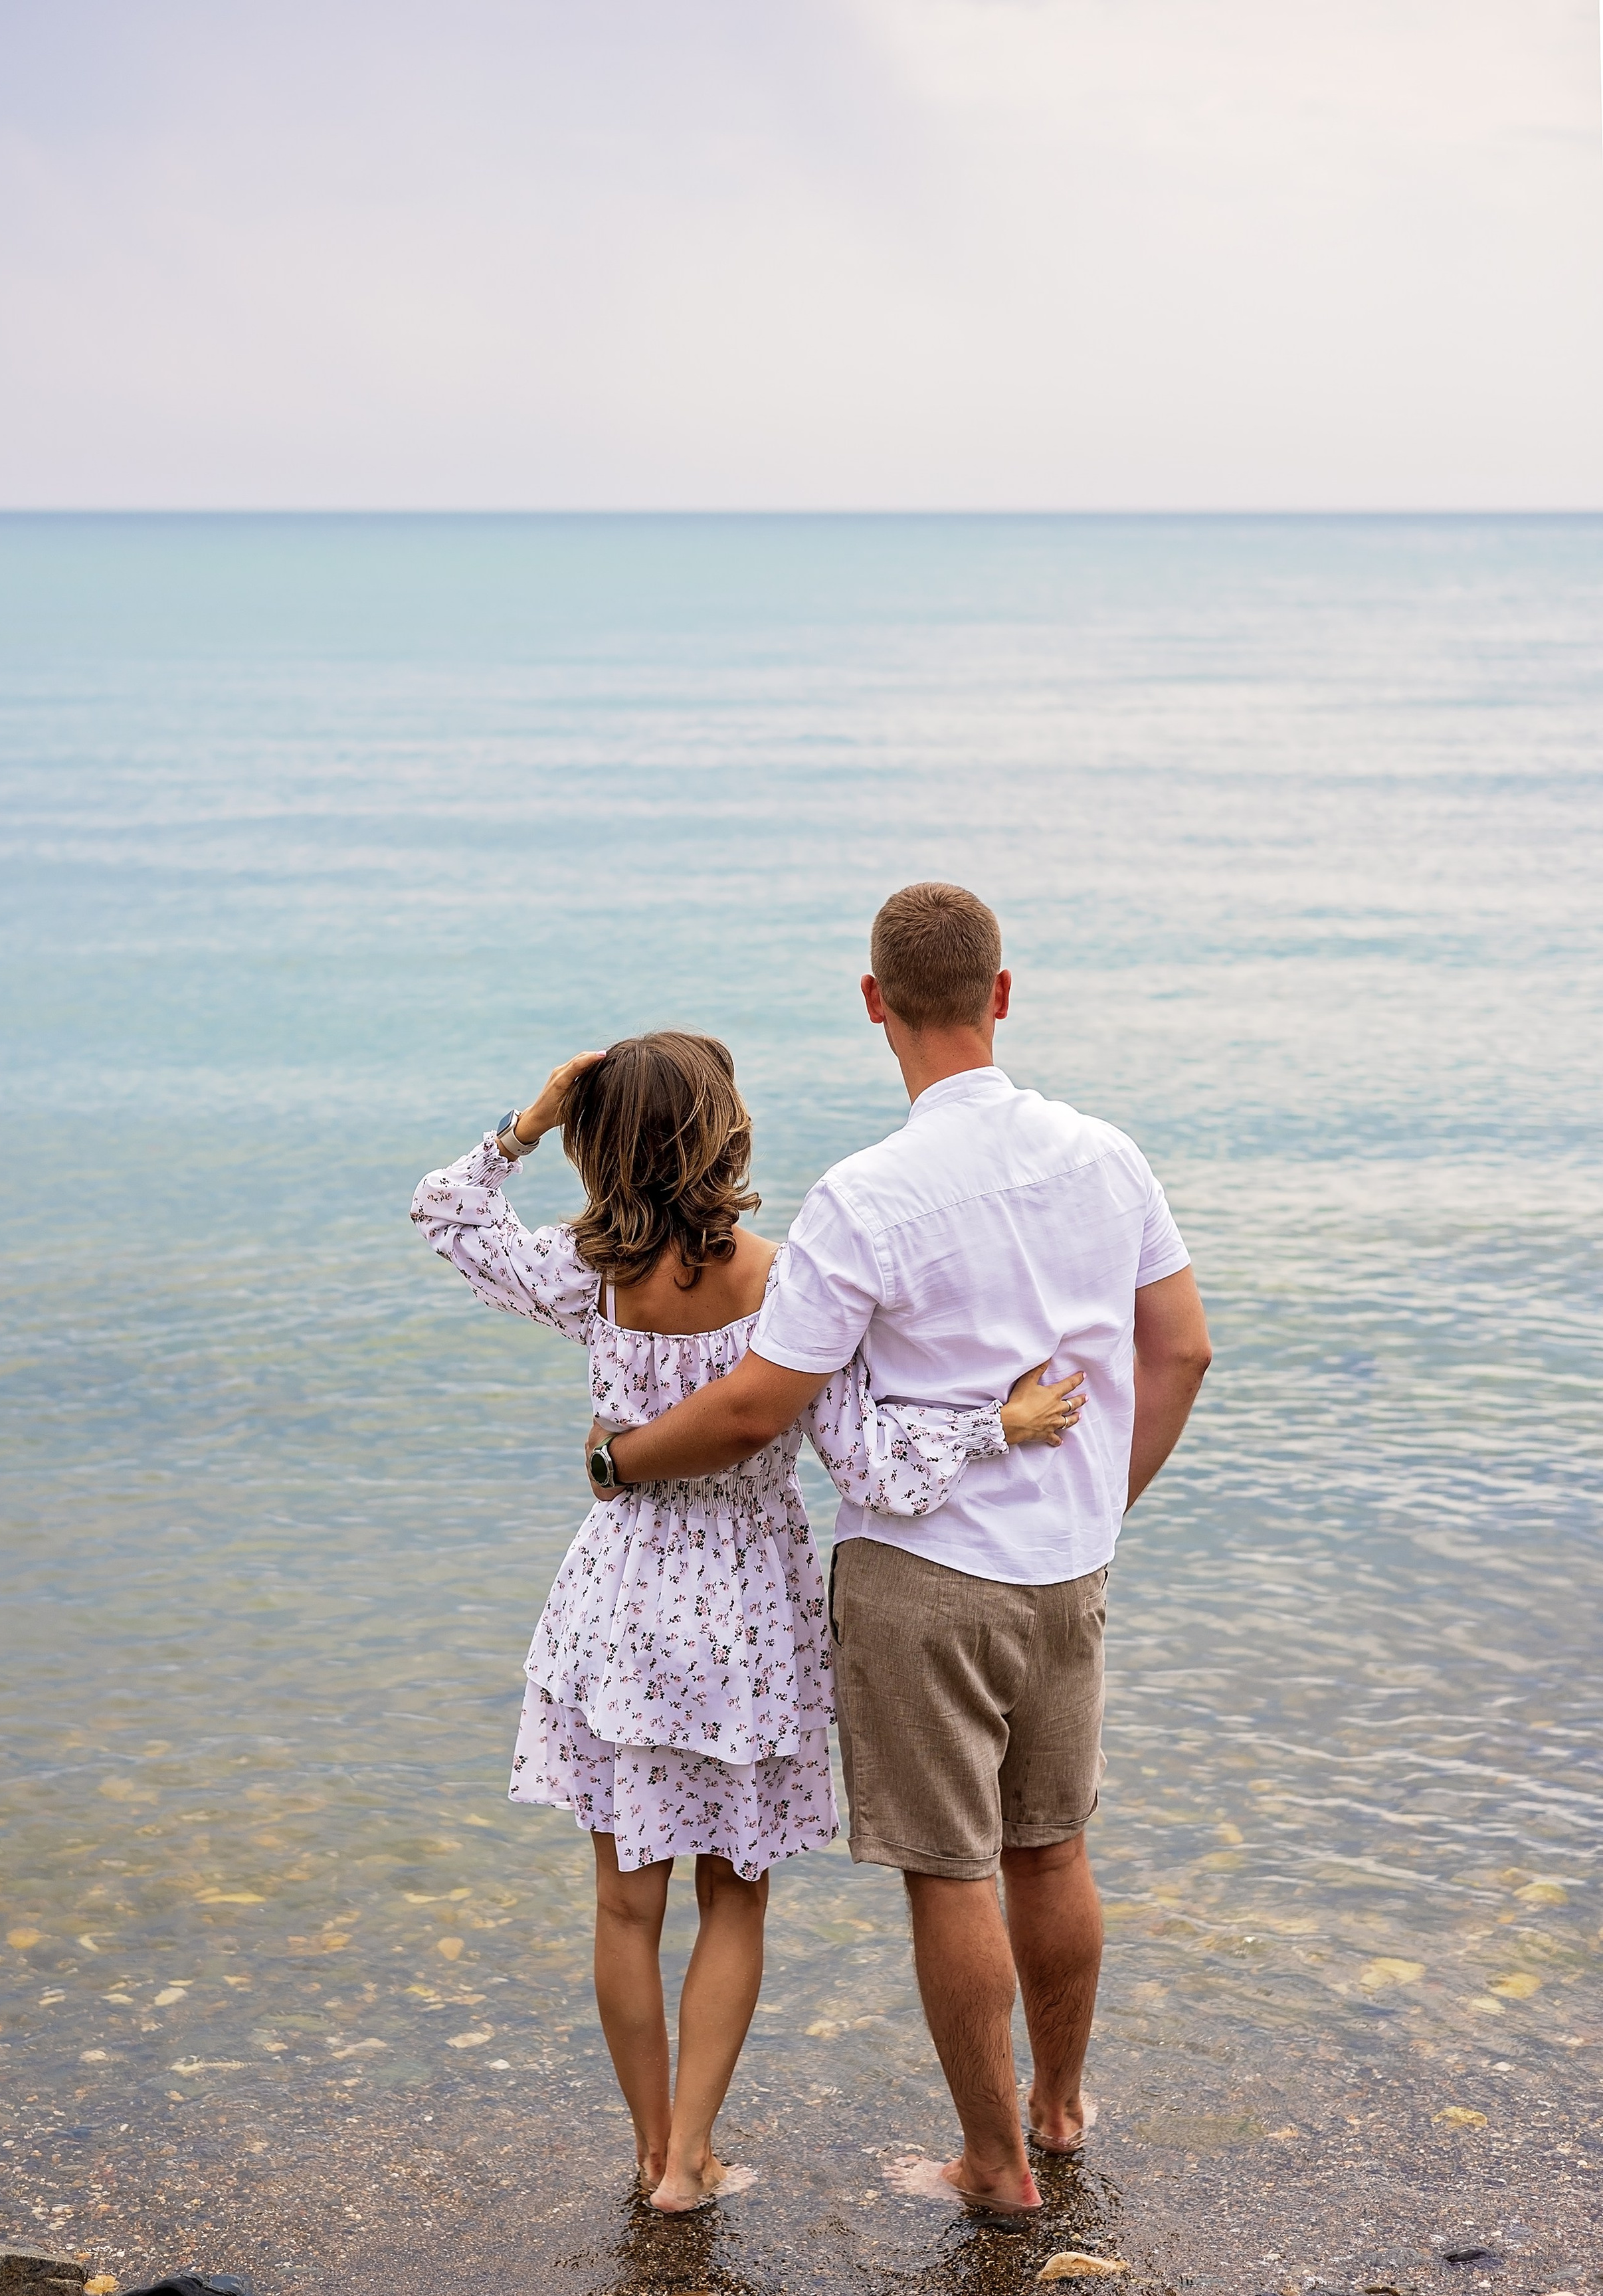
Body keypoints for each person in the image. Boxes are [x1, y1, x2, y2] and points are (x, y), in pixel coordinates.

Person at [584, 887, 1212, 2217]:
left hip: (925, 1579)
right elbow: (1182, 1350)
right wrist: (1101, 1502)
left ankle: (991, 2164)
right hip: (1064, 1566)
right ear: (1000, 992)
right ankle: (1056, 2107)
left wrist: (617, 1459)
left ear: (874, 1004)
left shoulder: (862, 1200)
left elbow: (757, 1404)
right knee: (1052, 1848)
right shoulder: (1109, 1155)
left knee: (954, 1867)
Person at [411, 1030, 1082, 2214]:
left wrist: (526, 1123)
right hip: (747, 1621)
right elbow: (871, 1461)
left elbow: (448, 1213)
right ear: (728, 1132)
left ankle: (648, 2142)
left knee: (626, 1901)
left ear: (598, 1144)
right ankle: (691, 2161)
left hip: (619, 1605)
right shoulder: (785, 1281)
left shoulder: (591, 1273)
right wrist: (1000, 1425)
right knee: (735, 1894)